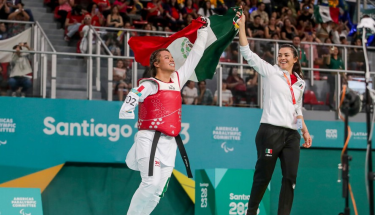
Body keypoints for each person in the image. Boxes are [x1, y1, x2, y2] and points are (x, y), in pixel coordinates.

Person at [119, 17, 209, 215]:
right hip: (150, 139)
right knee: (150, 182)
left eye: (171, 56)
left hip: (170, 144)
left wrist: (203, 31)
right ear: (156, 63)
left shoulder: (177, 80)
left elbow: (195, 55)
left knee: (159, 191)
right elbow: (135, 93)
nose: (171, 59)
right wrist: (126, 110)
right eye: (166, 56)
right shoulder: (150, 84)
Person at [238, 12, 312, 215]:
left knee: (290, 177)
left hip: (291, 135)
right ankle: (251, 211)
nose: (282, 57)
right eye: (280, 54)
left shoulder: (299, 82)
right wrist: (242, 26)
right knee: (264, 176)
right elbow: (247, 52)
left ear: (295, 59)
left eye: (286, 55)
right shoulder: (270, 72)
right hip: (270, 131)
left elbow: (297, 110)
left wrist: (304, 130)